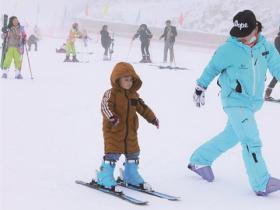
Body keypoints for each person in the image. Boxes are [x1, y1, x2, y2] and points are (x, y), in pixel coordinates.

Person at [189, 10, 280, 196]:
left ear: (256, 29)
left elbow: (278, 67)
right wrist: (200, 86)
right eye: (238, 36)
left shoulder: (266, 47)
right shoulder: (228, 49)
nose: (241, 40)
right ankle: (261, 182)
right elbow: (212, 68)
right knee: (250, 139)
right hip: (234, 100)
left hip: (253, 102)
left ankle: (199, 159)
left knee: (230, 136)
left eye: (245, 36)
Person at [94, 62, 159, 191]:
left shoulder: (133, 95)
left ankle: (130, 175)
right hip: (114, 130)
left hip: (131, 131)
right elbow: (105, 106)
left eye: (131, 80)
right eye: (126, 79)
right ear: (117, 80)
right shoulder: (110, 94)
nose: (129, 82)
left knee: (133, 153)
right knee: (113, 153)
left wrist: (152, 118)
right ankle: (104, 175)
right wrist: (112, 117)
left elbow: (143, 108)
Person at [264, 30, 280, 100]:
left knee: (276, 77)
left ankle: (267, 94)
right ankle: (267, 94)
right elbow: (278, 50)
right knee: (276, 77)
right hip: (278, 60)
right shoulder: (278, 39)